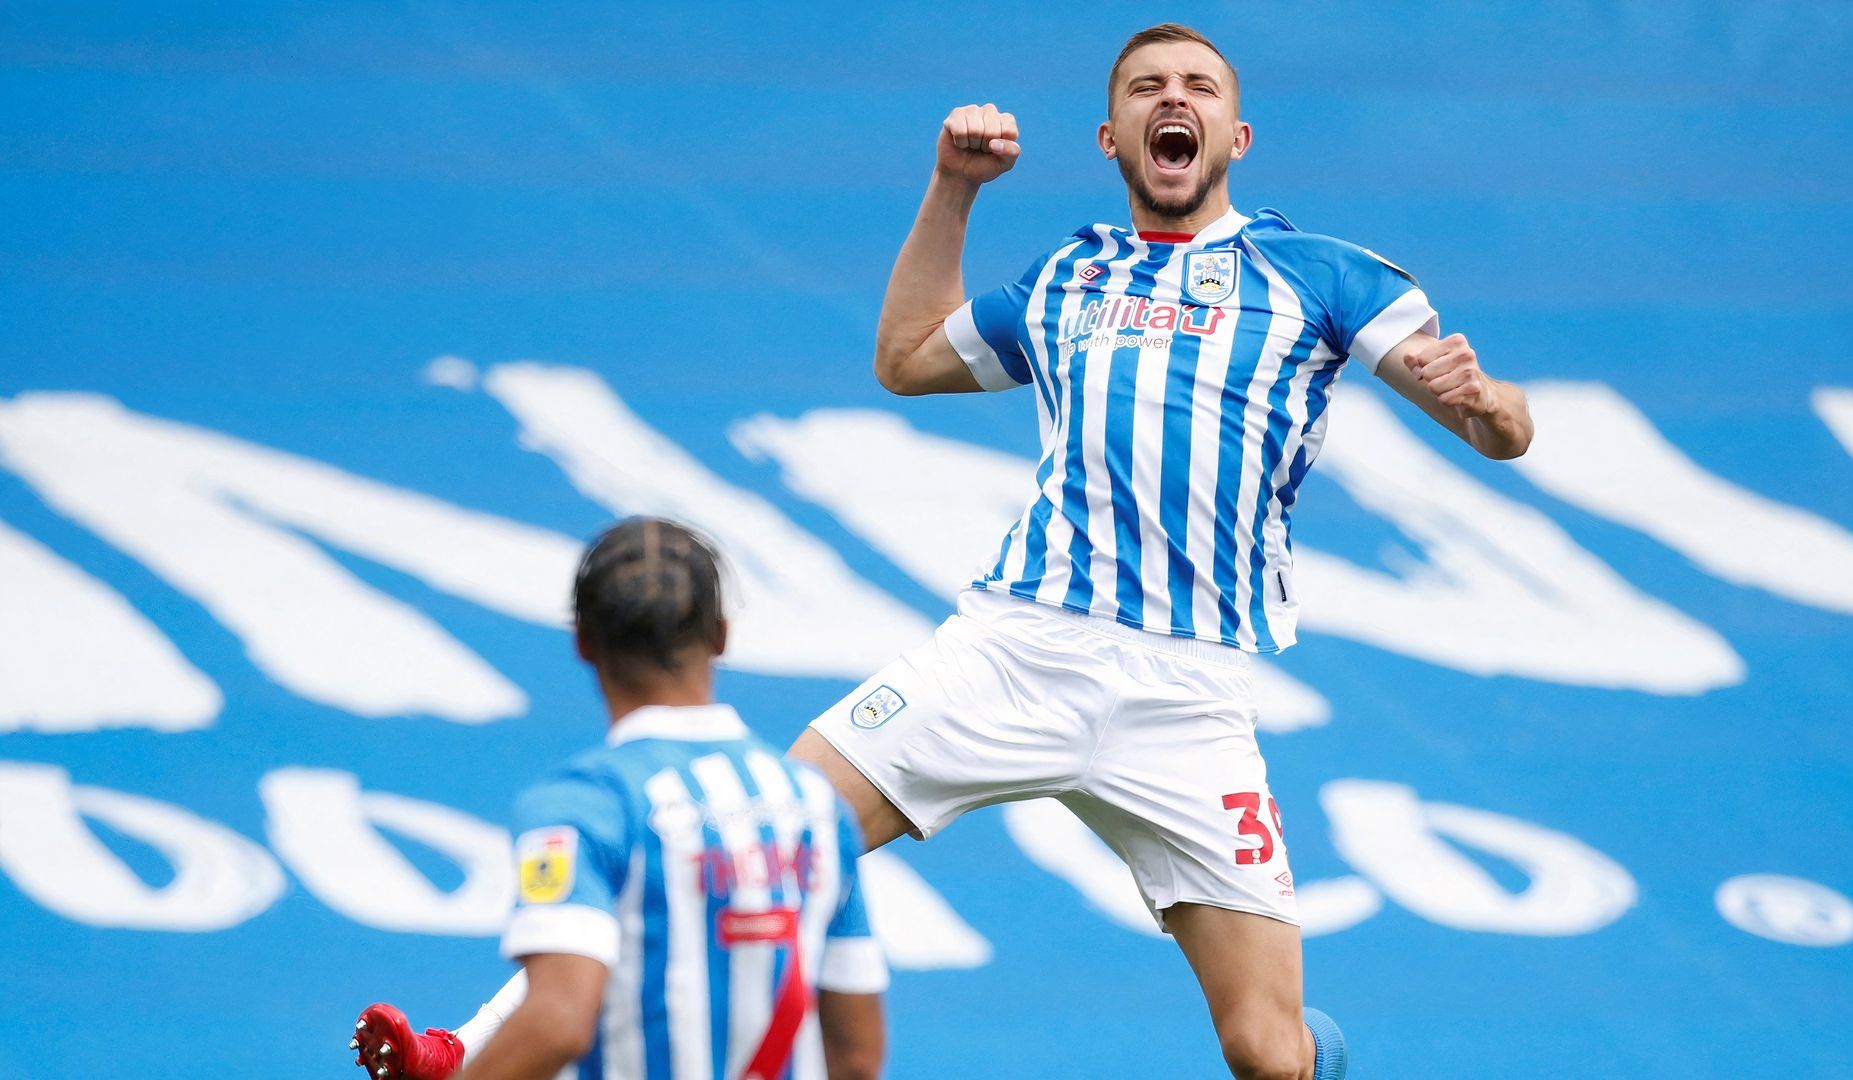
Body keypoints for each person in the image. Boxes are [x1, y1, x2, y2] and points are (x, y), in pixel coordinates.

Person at [789, 22, 1533, 1080]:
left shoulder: (1320, 275)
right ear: (1112, 136)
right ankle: (473, 1049)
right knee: (760, 843)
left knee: (1271, 1054)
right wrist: (955, 186)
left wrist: (1487, 400)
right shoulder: (1068, 276)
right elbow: (906, 361)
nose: (1170, 98)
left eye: (1197, 87)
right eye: (1146, 87)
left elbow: (1501, 431)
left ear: (1236, 134)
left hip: (1188, 700)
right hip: (1012, 651)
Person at [350, 518, 888, 1080]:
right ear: (721, 635)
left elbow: (558, 1020)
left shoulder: (582, 804)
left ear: (582, 641)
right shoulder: (817, 805)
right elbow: (856, 1056)